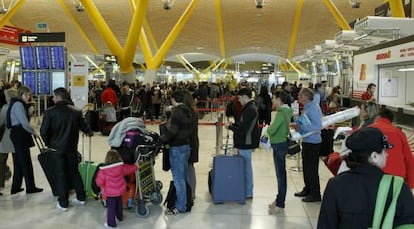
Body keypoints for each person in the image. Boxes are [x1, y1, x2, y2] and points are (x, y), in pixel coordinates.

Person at [317, 127, 414, 228]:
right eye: (384, 151)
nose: (387, 154)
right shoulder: (397, 187)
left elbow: (325, 225)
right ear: (374, 156)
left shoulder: (335, 184)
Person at [40, 87, 93, 211]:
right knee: (74, 171)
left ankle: (63, 202)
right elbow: (86, 128)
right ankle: (81, 197)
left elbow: (43, 131)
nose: (52, 98)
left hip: (56, 149)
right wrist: (88, 132)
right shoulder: (76, 112)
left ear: (59, 97)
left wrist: (49, 143)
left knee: (60, 174)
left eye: (54, 96)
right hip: (71, 148)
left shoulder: (50, 112)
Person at [160, 90, 193, 214]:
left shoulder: (176, 112)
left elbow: (173, 131)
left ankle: (180, 206)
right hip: (186, 146)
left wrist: (161, 140)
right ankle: (187, 201)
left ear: (173, 99)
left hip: (177, 148)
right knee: (184, 176)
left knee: (178, 178)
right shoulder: (187, 111)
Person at [6, 85, 43, 195]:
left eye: (29, 95)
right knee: (25, 161)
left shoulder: (16, 103)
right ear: (21, 94)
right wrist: (34, 132)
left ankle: (16, 187)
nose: (28, 97)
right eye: (26, 95)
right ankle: (30, 187)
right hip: (19, 134)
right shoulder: (18, 105)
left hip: (17, 133)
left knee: (18, 161)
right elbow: (24, 123)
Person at [369, 108, 414, 195]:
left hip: (372, 179)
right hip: (397, 181)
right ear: (391, 121)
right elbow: (410, 162)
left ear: (378, 117)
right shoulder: (399, 133)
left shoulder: (368, 130)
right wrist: (411, 187)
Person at [225, 88, 260, 199]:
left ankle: (248, 192)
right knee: (245, 167)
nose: (238, 101)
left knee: (246, 168)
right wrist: (233, 125)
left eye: (239, 98)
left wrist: (230, 127)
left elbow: (243, 129)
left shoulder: (249, 109)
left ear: (245, 97)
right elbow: (242, 125)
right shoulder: (249, 108)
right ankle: (246, 190)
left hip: (246, 142)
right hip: (245, 142)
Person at [292, 87, 323, 202]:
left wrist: (302, 127)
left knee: (312, 169)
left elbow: (317, 126)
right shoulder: (307, 107)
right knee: (306, 167)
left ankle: (315, 194)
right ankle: (308, 189)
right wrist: (296, 124)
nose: (298, 97)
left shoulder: (314, 108)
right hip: (307, 141)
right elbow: (304, 120)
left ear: (306, 97)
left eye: (300, 95)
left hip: (313, 142)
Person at [266, 90, 293, 214]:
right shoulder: (286, 111)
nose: (272, 101)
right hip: (280, 144)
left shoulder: (281, 113)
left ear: (279, 99)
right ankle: (278, 200)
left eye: (274, 98)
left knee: (281, 176)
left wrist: (268, 128)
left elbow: (272, 130)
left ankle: (280, 203)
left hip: (279, 145)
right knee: (280, 174)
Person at [96, 149, 137, 228]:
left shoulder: (103, 171)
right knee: (119, 204)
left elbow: (99, 182)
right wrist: (136, 166)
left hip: (110, 193)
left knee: (111, 208)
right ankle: (120, 217)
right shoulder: (121, 167)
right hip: (120, 190)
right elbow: (129, 169)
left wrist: (101, 185)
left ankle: (111, 224)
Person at [0, 88, 18, 196]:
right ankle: (17, 184)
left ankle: (0, 183)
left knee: (1, 161)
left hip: (5, 138)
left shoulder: (5, 108)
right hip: (16, 138)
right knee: (18, 162)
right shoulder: (19, 107)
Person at [183, 89, 199, 200]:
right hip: (193, 142)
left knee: (188, 168)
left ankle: (190, 193)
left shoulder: (187, 112)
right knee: (190, 167)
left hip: (188, 143)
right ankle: (191, 192)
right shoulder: (193, 111)